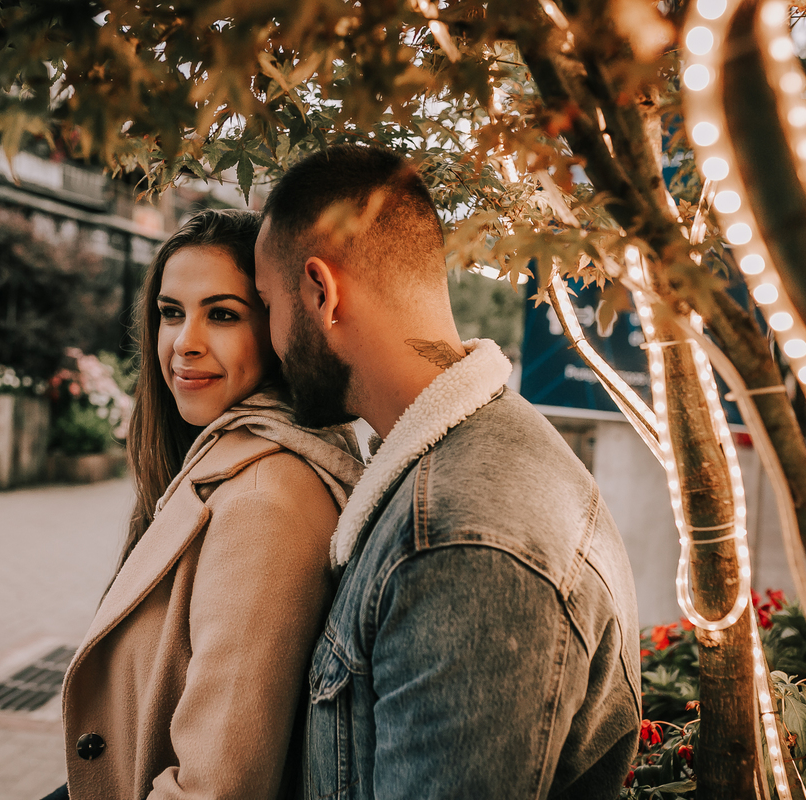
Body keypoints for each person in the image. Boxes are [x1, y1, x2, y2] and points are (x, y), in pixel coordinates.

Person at [254, 145, 641, 799]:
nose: (268, 339)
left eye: (266, 304)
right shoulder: (456, 478)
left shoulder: (464, 546)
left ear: (322, 293)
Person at [50, 209, 364, 800]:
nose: (184, 344)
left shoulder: (262, 502)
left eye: (222, 315)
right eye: (171, 313)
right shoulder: (227, 460)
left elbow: (217, 788)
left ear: (278, 328)